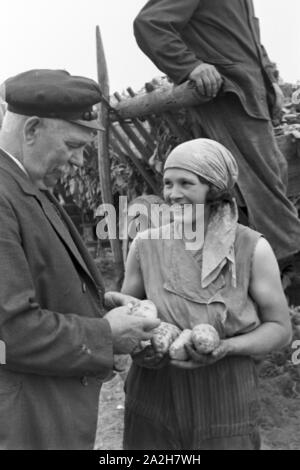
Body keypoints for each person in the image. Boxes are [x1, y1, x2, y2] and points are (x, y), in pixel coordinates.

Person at [0, 69, 160, 450]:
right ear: (32, 129)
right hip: (25, 420)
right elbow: (9, 332)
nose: (78, 161)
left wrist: (99, 303)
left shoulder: (26, 184)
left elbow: (36, 276)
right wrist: (106, 334)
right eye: (73, 145)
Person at [121, 138, 292, 450]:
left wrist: (226, 346)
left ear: (214, 189)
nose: (173, 194)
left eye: (186, 183)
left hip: (226, 397)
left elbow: (280, 329)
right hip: (154, 391)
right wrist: (139, 344)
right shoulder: (144, 245)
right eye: (168, 183)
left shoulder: (251, 248)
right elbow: (126, 315)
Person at [133, 0, 300, 266]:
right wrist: (189, 66)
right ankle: (287, 267)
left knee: (271, 172)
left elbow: (252, 43)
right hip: (230, 93)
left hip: (252, 92)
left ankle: (256, 267)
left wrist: (271, 80)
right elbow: (150, 24)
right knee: (261, 182)